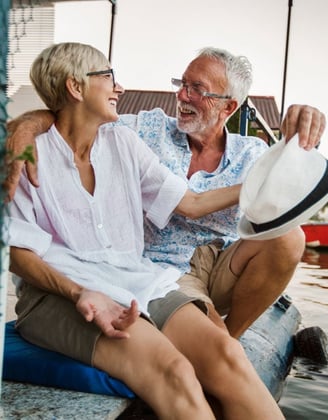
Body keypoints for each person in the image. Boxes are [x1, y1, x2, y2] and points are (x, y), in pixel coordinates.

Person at [6, 42, 285, 419]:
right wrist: (80, 292)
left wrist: (265, 183)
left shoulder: (123, 140)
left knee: (228, 356)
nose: (119, 88)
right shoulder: (26, 157)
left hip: (137, 279)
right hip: (58, 292)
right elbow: (15, 251)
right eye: (109, 77)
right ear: (76, 88)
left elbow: (191, 203)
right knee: (176, 371)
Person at [5, 47, 326, 338]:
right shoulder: (142, 129)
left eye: (196, 89)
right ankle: (218, 350)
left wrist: (302, 135)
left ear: (228, 106)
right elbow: (76, 114)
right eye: (181, 84)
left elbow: (297, 186)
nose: (182, 96)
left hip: (225, 265)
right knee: (205, 334)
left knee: (290, 237)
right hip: (163, 270)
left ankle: (233, 338)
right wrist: (27, 125)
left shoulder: (253, 153)